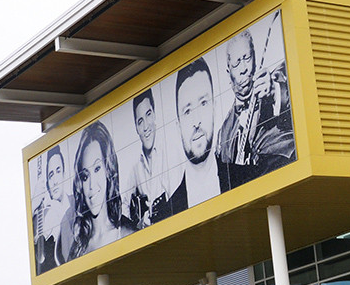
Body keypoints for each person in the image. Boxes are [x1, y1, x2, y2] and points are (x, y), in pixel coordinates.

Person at [215, 26, 295, 192]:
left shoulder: (280, 76)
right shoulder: (223, 135)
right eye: (237, 63)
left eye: (247, 58)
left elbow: (298, 97)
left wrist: (274, 91)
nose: (244, 68)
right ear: (228, 72)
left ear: (255, 59)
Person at [64, 122, 127, 260]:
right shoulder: (76, 251)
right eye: (85, 176)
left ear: (108, 169)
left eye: (97, 169)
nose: (91, 185)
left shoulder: (128, 234)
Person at [125, 89, 183, 228]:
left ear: (155, 114)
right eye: (140, 121)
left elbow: (177, 204)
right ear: (136, 128)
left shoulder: (170, 151)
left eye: (148, 114)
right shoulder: (135, 168)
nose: (146, 127)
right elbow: (123, 206)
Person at [171, 57, 222, 207]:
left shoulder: (247, 177)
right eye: (187, 111)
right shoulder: (165, 213)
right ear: (178, 126)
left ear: (214, 108)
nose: (196, 121)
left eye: (203, 103)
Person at [33, 146, 69, 274]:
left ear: (64, 173)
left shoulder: (76, 204)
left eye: (58, 171)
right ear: (47, 183)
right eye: (51, 175)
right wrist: (34, 205)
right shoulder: (43, 216)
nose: (55, 181)